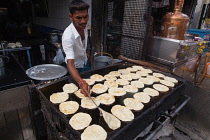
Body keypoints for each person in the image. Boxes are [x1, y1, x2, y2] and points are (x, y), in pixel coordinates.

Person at [62, 0, 91, 97]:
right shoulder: (68, 37)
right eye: (78, 18)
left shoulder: (84, 27)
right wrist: (81, 82)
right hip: (75, 69)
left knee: (89, 91)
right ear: (71, 17)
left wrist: (86, 53)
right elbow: (70, 64)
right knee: (77, 95)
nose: (83, 21)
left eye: (85, 17)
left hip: (85, 63)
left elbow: (83, 44)